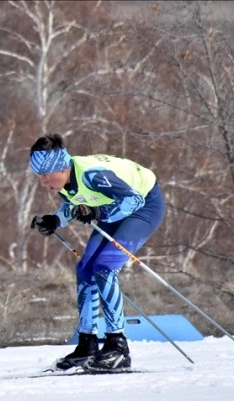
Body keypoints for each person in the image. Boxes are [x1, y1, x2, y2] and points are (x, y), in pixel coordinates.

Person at [29, 133, 165, 371]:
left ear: (61, 168)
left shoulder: (93, 175)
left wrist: (99, 213)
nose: (42, 182)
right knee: (85, 268)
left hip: (143, 205)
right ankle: (87, 345)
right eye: (38, 176)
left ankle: (118, 347)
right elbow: (74, 202)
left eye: (45, 175)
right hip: (113, 207)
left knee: (105, 266)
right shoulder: (65, 180)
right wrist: (55, 220)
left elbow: (132, 201)